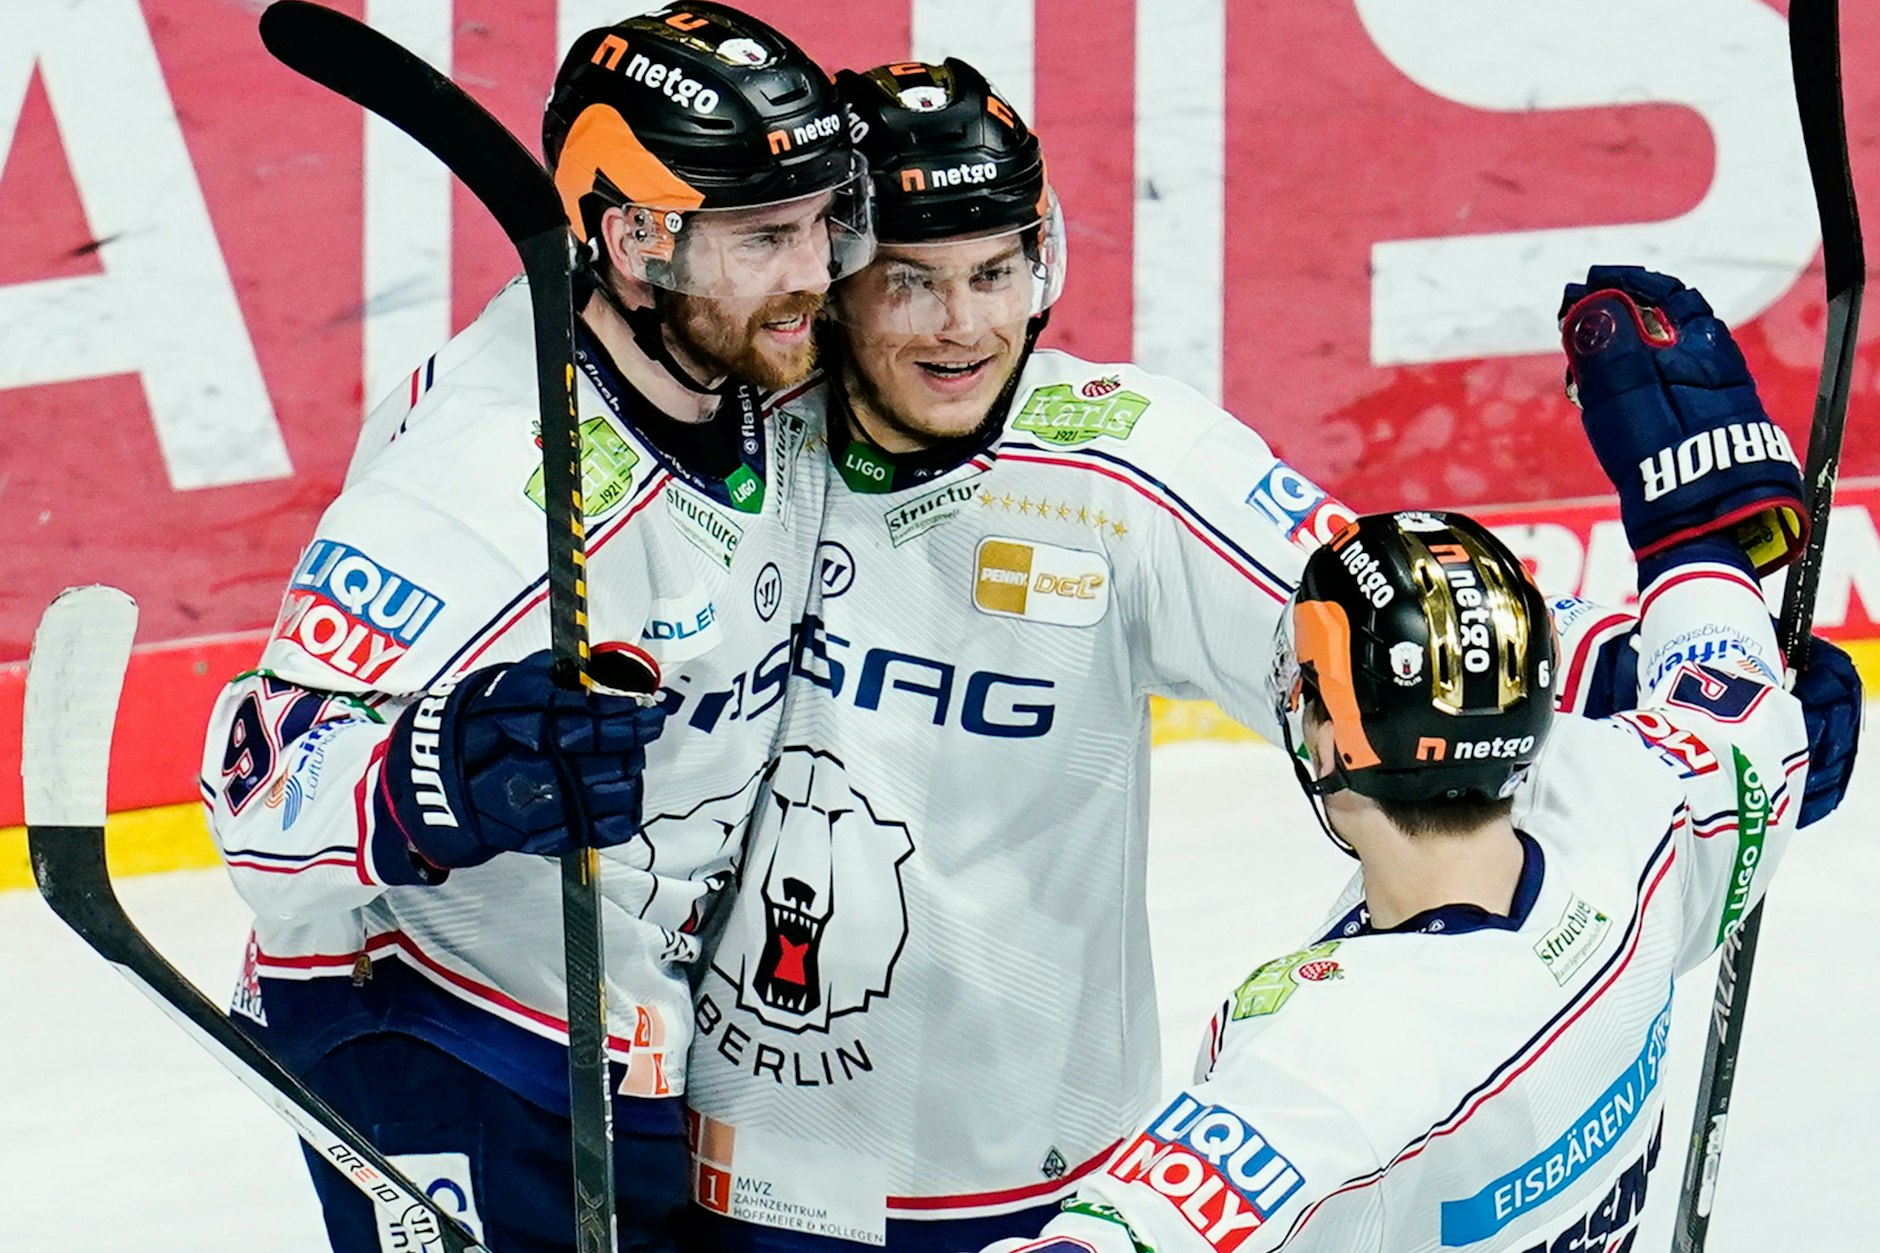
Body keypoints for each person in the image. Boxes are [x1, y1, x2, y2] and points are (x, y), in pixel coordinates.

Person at [673, 59, 1860, 1253]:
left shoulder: (1120, 461)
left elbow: (1388, 624)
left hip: (1043, 1180)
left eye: (993, 273)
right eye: (910, 283)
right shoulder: (718, 443)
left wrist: (1684, 666)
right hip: (727, 1156)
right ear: (827, 280)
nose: (964, 325)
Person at [197, 5, 872, 1250]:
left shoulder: (737, 366)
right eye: (765, 237)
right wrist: (438, 772)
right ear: (629, 236)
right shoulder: (480, 479)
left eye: (824, 222)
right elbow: (251, 780)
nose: (812, 274)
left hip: (630, 1027)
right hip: (439, 1039)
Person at [981, 269, 1815, 1252]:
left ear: (1330, 740)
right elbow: (1732, 693)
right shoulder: (1640, 808)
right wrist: (1698, 534)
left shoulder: (1327, 1068)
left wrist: (1691, 539)